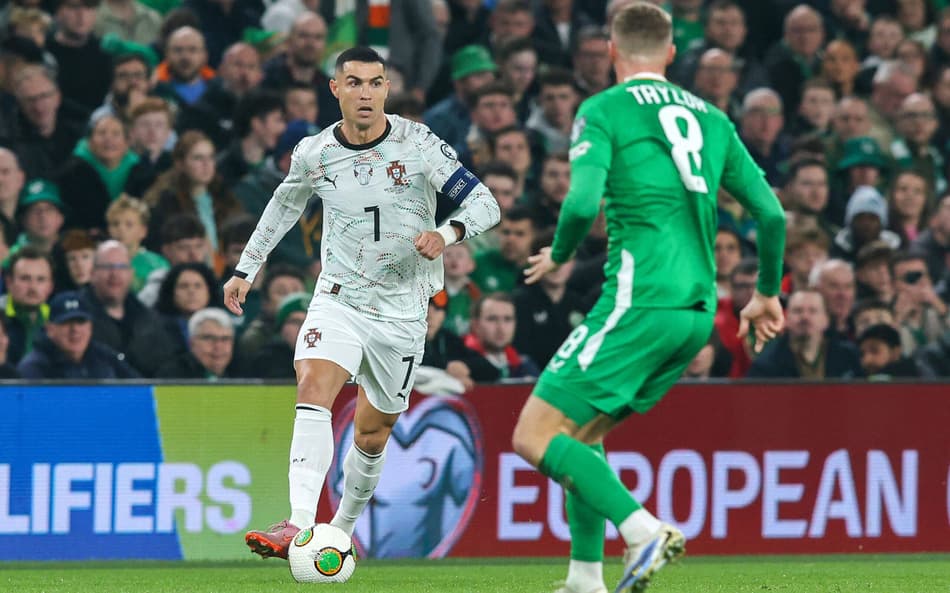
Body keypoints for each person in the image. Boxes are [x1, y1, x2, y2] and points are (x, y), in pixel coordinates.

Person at [510, 5, 786, 593]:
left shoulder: (603, 109)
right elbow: (771, 213)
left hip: (639, 299)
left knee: (532, 436)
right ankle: (585, 577)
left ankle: (642, 530)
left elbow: (582, 204)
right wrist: (764, 294)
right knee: (582, 435)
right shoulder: (712, 118)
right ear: (668, 54)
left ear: (611, 52)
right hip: (697, 312)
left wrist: (559, 254)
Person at [223, 46, 500, 560]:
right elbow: (281, 208)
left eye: (375, 83)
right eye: (354, 83)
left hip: (403, 310)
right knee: (312, 381)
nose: (365, 93)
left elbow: (486, 202)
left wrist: (448, 232)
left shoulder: (420, 143)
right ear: (335, 89)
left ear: (387, 89)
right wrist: (246, 268)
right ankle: (299, 522)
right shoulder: (314, 153)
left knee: (373, 433)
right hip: (339, 299)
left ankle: (341, 530)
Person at [17, 290, 140, 379]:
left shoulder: (104, 357)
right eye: (66, 322)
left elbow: (139, 388)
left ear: (90, 326)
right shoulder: (34, 368)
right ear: (50, 329)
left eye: (81, 322)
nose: (74, 329)